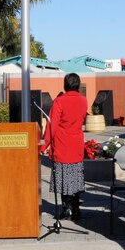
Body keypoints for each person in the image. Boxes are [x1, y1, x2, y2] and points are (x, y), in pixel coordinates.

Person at [42, 73, 88, 221]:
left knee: (63, 177)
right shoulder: (83, 101)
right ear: (78, 85)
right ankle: (76, 209)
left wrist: (43, 145)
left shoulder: (59, 101)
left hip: (62, 144)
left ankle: (66, 209)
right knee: (75, 176)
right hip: (76, 144)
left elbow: (52, 125)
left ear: (65, 84)